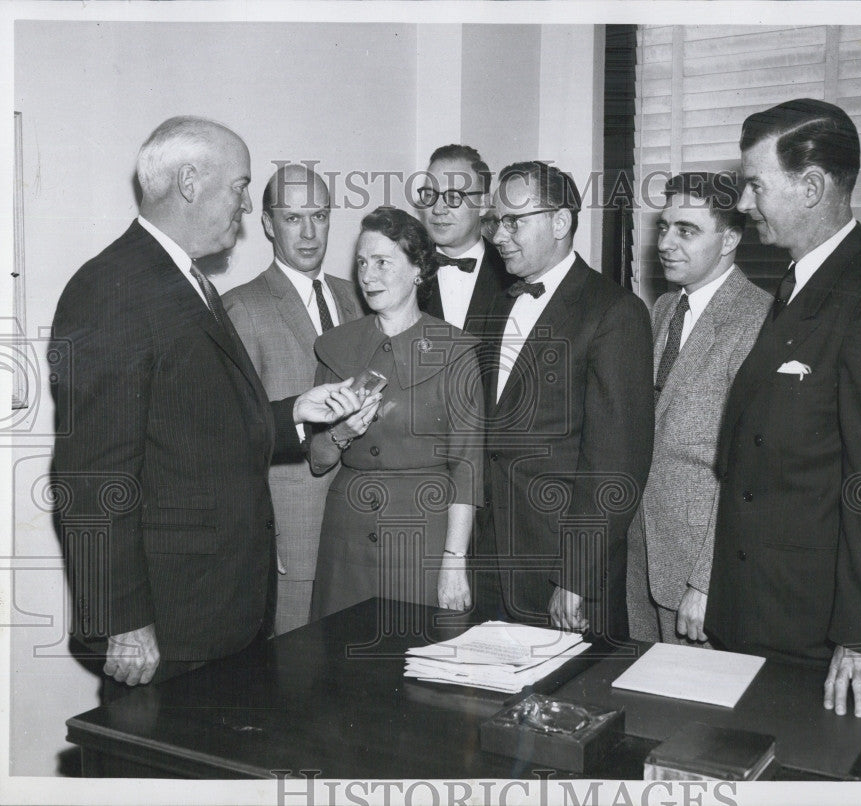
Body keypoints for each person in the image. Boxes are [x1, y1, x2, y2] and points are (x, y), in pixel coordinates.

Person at [50, 117, 365, 692]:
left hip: (219, 612)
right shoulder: (113, 289)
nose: (245, 208)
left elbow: (202, 432)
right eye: (240, 188)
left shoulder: (185, 280)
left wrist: (295, 411)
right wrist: (124, 622)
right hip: (170, 624)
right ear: (190, 182)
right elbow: (91, 476)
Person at [705, 99, 861, 717]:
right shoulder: (801, 280)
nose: (744, 204)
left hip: (812, 629)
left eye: (755, 186)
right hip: (756, 608)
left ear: (810, 188)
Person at [477, 161, 654, 640]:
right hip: (491, 561)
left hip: (562, 572)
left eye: (515, 221)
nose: (498, 236)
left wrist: (574, 577)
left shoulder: (615, 312)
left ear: (560, 222)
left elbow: (616, 463)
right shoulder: (499, 305)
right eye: (495, 221)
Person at [307, 207, 484, 618]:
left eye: (383, 262)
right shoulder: (335, 346)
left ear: (419, 270)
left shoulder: (454, 352)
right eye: (363, 263)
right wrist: (342, 433)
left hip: (421, 538)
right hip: (346, 539)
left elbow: (467, 469)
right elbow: (317, 460)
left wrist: (454, 561)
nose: (368, 276)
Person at [626, 172, 771, 645]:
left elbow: (751, 472)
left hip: (700, 571)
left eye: (686, 230)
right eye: (664, 227)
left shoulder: (759, 320)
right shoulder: (664, 308)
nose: (666, 242)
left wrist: (708, 580)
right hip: (642, 554)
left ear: (729, 238)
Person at [224, 163, 366, 634]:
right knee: (293, 677)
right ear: (266, 224)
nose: (309, 233)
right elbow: (233, 437)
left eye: (320, 216)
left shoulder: (360, 299)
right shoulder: (243, 307)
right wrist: (260, 540)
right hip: (292, 534)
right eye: (292, 218)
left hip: (359, 530)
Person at [417, 144, 510, 334]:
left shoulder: (511, 274)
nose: (437, 209)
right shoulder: (406, 270)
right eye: (429, 195)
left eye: (453, 197)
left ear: (483, 205)